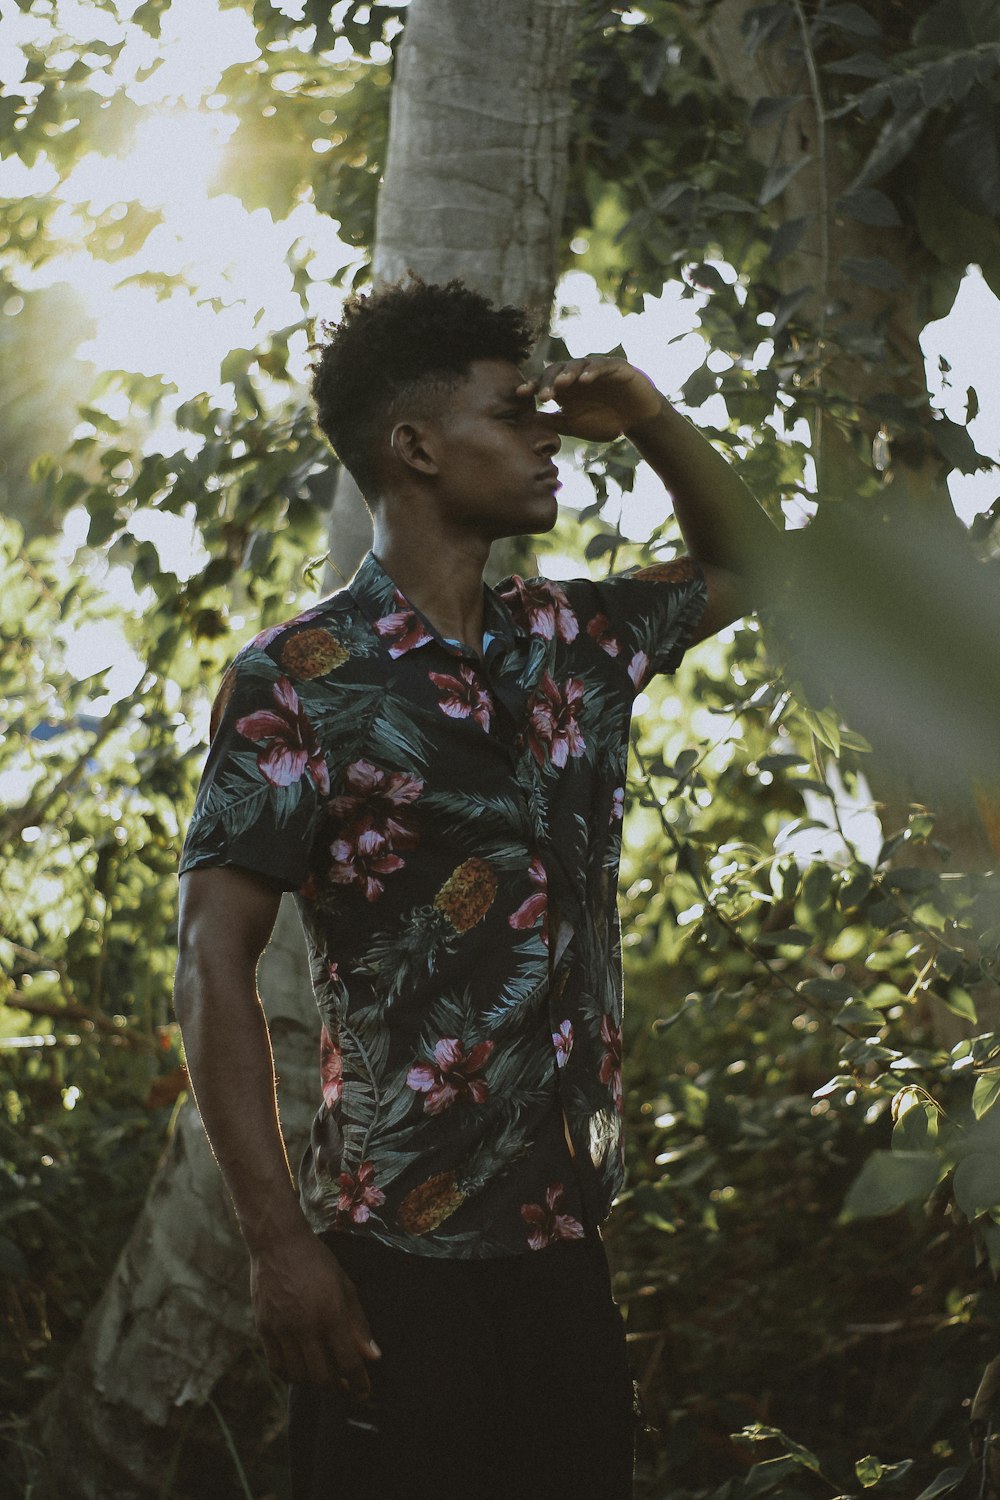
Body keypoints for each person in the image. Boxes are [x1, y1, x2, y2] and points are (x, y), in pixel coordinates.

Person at [173, 277, 780, 1499]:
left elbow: (754, 565)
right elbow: (210, 960)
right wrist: (279, 1246)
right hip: (393, 1256)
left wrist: (652, 414)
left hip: (561, 1243)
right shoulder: (301, 679)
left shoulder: (576, 638)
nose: (550, 435)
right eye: (515, 414)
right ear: (415, 447)